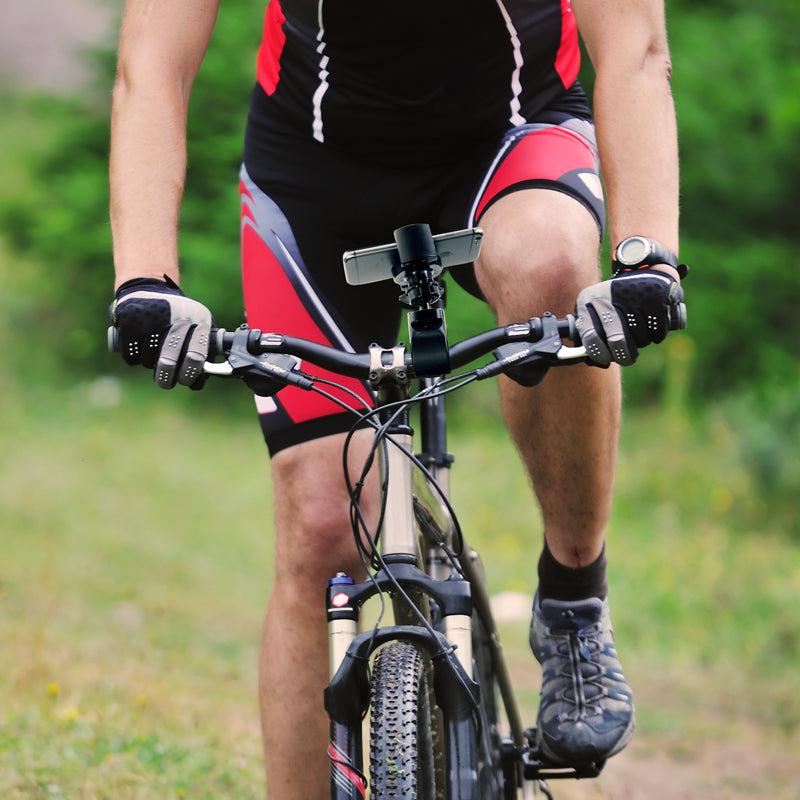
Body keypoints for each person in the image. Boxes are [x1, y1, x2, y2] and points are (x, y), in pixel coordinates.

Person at [109, 0, 685, 795]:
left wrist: (647, 254)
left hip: (512, 138)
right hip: (316, 172)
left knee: (551, 268)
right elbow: (152, 65)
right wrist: (145, 277)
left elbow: (635, 48)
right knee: (319, 528)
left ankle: (573, 595)